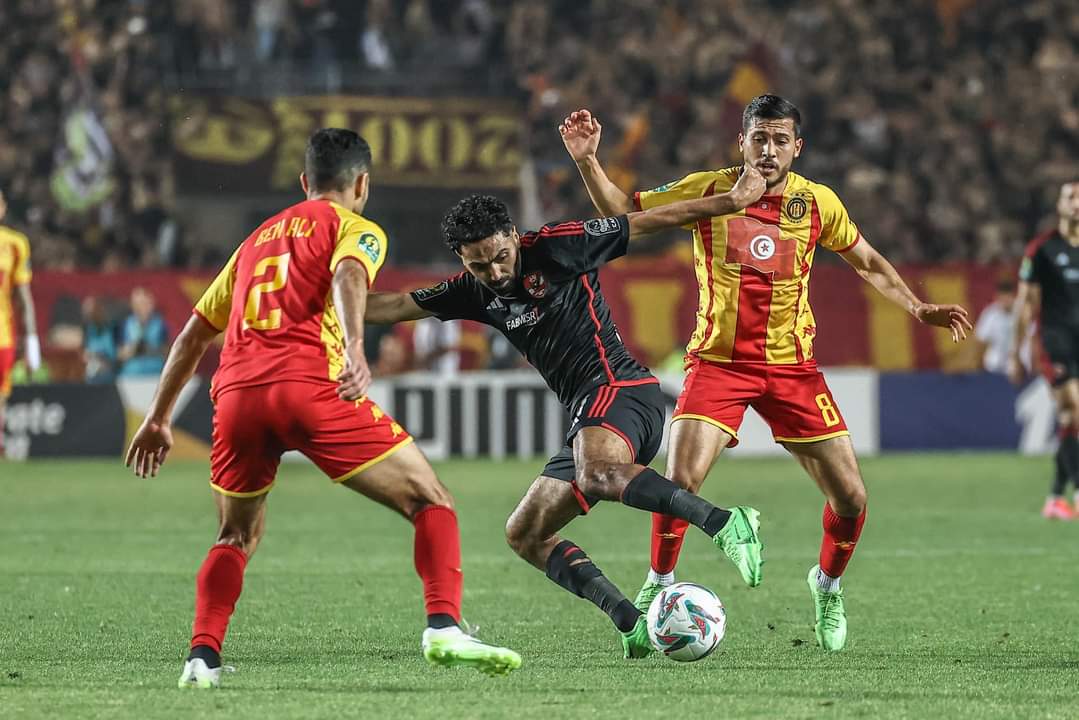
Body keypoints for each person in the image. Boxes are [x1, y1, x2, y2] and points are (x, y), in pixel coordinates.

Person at [561, 96, 972, 652]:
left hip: (791, 370)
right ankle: (659, 583)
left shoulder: (817, 202)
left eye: (781, 140)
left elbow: (869, 262)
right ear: (742, 142)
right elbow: (621, 210)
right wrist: (588, 160)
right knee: (678, 482)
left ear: (797, 147)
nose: (769, 150)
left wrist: (917, 308)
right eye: (760, 138)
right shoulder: (710, 191)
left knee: (851, 497)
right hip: (718, 364)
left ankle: (827, 586)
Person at [124, 128, 521, 689]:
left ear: (304, 181)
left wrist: (158, 417)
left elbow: (192, 335)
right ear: (362, 184)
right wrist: (355, 347)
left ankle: (202, 657)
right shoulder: (354, 228)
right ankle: (444, 626)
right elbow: (350, 274)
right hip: (310, 386)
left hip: (236, 397)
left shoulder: (253, 242)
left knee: (235, 536)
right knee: (430, 499)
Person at [365, 170, 768, 660]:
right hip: (589, 416)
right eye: (479, 265)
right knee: (525, 532)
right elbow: (392, 305)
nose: (495, 272)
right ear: (462, 261)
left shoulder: (558, 246)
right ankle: (631, 624)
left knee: (594, 472)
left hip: (622, 390)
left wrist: (731, 200)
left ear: (513, 236)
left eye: (500, 256)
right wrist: (309, 300)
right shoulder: (473, 291)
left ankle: (725, 522)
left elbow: (647, 221)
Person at [1010, 181, 1079, 520]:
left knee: (1070, 420)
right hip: (1056, 340)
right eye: (1071, 197)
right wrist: (1015, 351)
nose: (1077, 203)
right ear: (1060, 205)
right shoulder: (1043, 249)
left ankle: (1054, 497)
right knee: (1074, 407)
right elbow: (1025, 303)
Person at [0, 188, 41, 458]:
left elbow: (24, 297)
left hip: (1, 334)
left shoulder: (15, 244)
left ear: (3, 208)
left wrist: (32, 342)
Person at [973, 279, 1028, 374]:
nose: (1005, 301)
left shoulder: (1023, 312)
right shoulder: (990, 314)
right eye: (1002, 298)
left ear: (1013, 296)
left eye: (1008, 297)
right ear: (997, 297)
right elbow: (980, 341)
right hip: (994, 367)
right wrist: (979, 367)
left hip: (1018, 368)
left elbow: (1031, 337)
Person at [118, 287, 168, 377]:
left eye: (144, 303)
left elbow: (167, 351)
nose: (141, 307)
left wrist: (152, 350)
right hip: (132, 373)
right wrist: (133, 349)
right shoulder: (126, 324)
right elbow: (120, 354)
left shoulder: (160, 324)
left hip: (155, 371)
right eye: (137, 304)